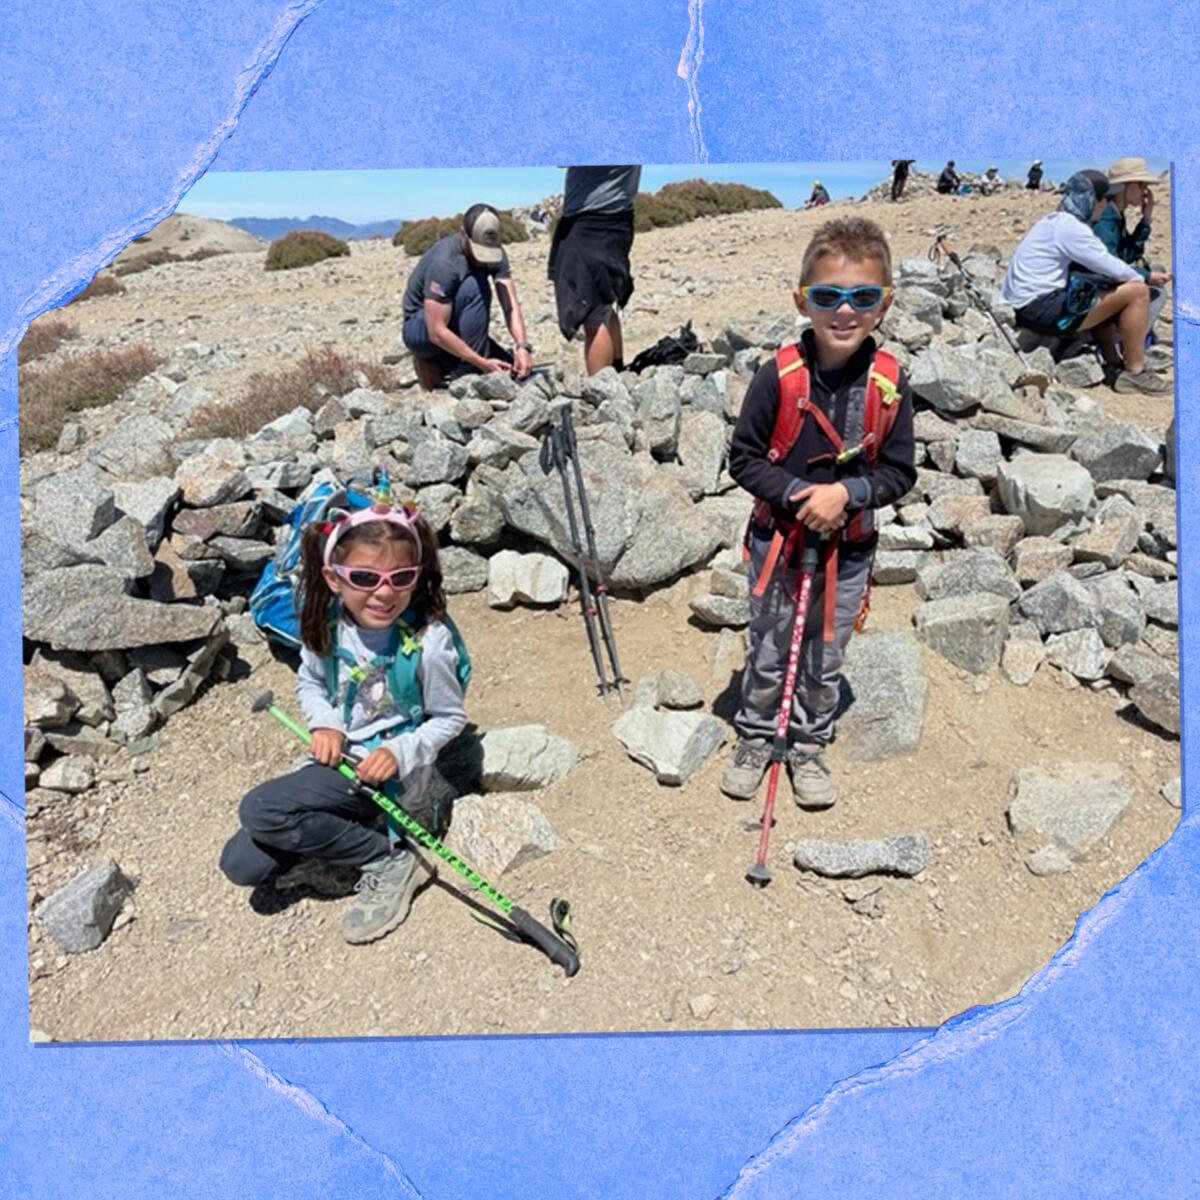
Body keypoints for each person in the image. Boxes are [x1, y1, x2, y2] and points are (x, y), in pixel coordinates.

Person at [721, 217, 916, 810]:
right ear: (802, 300)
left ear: (884, 305)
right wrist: (801, 496)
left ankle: (808, 740)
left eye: (864, 297)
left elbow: (899, 472)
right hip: (778, 541)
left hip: (849, 549)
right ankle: (755, 736)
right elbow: (745, 460)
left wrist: (847, 496)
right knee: (772, 640)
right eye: (828, 296)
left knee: (826, 650)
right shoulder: (776, 377)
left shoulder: (889, 383)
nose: (845, 311)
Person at [220, 483, 470, 945]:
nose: (384, 593)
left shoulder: (429, 643)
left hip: (389, 771)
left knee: (261, 808)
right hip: (340, 761)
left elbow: (449, 718)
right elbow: (311, 684)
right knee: (241, 864)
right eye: (364, 578)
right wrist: (325, 723)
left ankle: (391, 858)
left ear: (417, 576)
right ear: (334, 577)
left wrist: (400, 750)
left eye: (401, 578)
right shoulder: (328, 625)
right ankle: (357, 829)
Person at [998, 170, 1168, 394]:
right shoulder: (1072, 228)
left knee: (1100, 290)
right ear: (1093, 200)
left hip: (1027, 305)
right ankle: (1135, 373)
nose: (1106, 205)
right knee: (1137, 292)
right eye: (1104, 199)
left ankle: (1112, 360)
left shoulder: (1053, 221)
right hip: (1040, 309)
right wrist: (1141, 279)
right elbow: (1111, 265)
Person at [402, 203, 533, 391]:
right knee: (475, 286)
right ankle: (462, 369)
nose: (484, 258)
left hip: (454, 320)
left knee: (512, 368)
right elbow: (436, 330)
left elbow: (509, 303)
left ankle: (455, 364)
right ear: (463, 233)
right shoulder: (445, 263)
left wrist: (522, 346)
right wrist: (481, 362)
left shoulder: (496, 251)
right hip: (420, 328)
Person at [548, 165, 641, 375]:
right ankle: (616, 370)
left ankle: (600, 387)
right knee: (606, 303)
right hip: (620, 218)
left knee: (593, 315)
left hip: (590, 221)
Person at [1093, 156, 1172, 342]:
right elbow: (1108, 265)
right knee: (1157, 293)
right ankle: (1130, 342)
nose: (1145, 191)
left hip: (1104, 281)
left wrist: (1146, 219)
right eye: (1141, 185)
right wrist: (1145, 276)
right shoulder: (1106, 221)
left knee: (1157, 270)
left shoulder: (1115, 214)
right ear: (1125, 186)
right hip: (1096, 288)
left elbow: (1130, 254)